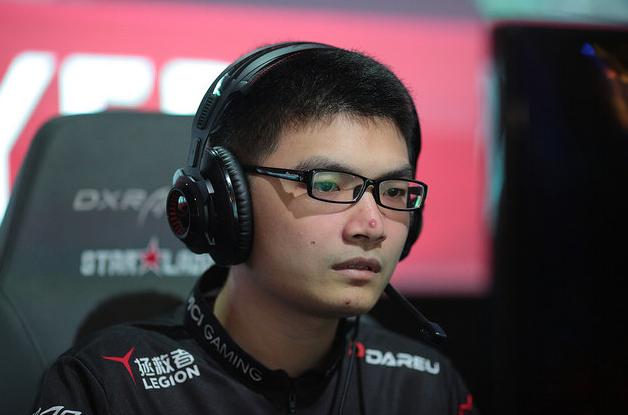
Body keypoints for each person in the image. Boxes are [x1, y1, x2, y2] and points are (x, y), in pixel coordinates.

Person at [33, 42, 478, 414]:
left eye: (394, 191)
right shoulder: (106, 388)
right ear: (226, 202)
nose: (373, 225)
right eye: (328, 185)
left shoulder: (425, 388)